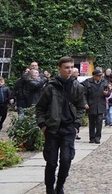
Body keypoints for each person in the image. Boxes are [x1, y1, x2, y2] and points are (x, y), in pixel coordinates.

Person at [35, 56, 86, 194]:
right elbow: (40, 108)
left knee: (66, 159)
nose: (69, 70)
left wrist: (76, 125)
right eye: (66, 67)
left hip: (69, 128)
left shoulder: (77, 87)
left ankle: (60, 185)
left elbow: (81, 107)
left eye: (71, 67)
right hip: (52, 128)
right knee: (51, 162)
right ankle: (49, 188)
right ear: (59, 69)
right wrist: (42, 125)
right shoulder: (50, 87)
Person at [81, 68, 109, 144]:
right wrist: (85, 103)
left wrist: (107, 94)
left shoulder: (104, 82)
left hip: (100, 105)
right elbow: (84, 94)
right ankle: (92, 137)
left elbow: (108, 92)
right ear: (94, 76)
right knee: (92, 122)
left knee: (99, 122)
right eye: (98, 76)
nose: (100, 77)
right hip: (91, 105)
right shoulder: (88, 82)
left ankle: (98, 138)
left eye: (100, 75)